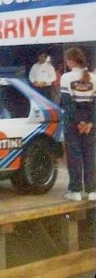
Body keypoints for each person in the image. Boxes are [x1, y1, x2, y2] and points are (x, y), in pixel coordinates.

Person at [60, 47, 96, 202]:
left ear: (71, 61)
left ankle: (75, 190)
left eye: (67, 60)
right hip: (90, 121)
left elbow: (67, 103)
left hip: (72, 121)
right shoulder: (93, 78)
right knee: (90, 155)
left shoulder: (66, 77)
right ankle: (92, 190)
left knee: (74, 156)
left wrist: (77, 122)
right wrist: (90, 123)